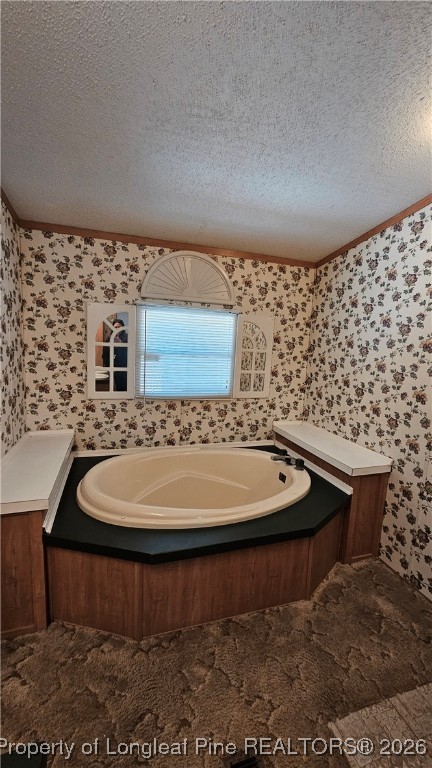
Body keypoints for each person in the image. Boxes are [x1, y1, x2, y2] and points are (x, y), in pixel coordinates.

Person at [112, 319, 128, 391]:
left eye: (119, 327)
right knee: (117, 387)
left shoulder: (128, 338)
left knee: (126, 387)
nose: (117, 329)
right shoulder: (109, 339)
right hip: (114, 367)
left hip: (125, 367)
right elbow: (105, 355)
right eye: (115, 327)